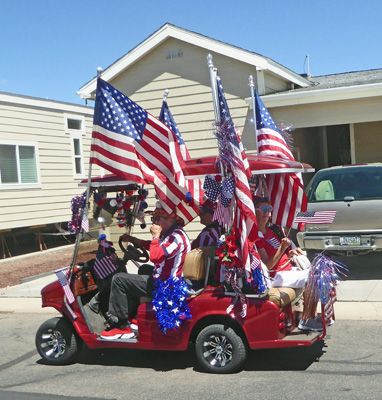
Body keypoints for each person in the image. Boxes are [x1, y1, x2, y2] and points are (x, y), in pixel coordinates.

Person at [100, 206, 191, 340]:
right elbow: (153, 246)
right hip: (167, 280)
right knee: (143, 270)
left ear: (170, 220)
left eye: (157, 219)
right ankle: (136, 318)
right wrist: (133, 240)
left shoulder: (175, 237)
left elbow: (156, 256)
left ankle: (122, 327)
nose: (154, 223)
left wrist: (155, 236)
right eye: (153, 219)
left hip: (167, 285)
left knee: (118, 280)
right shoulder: (170, 235)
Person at [254, 197, 323, 332]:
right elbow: (268, 265)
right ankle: (306, 319)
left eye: (269, 209)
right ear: (254, 212)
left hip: (286, 270)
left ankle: (311, 314)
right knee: (313, 276)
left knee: (318, 270)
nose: (266, 213)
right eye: (263, 209)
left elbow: (278, 254)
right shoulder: (256, 237)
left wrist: (290, 252)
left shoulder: (269, 232)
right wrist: (281, 248)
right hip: (275, 276)